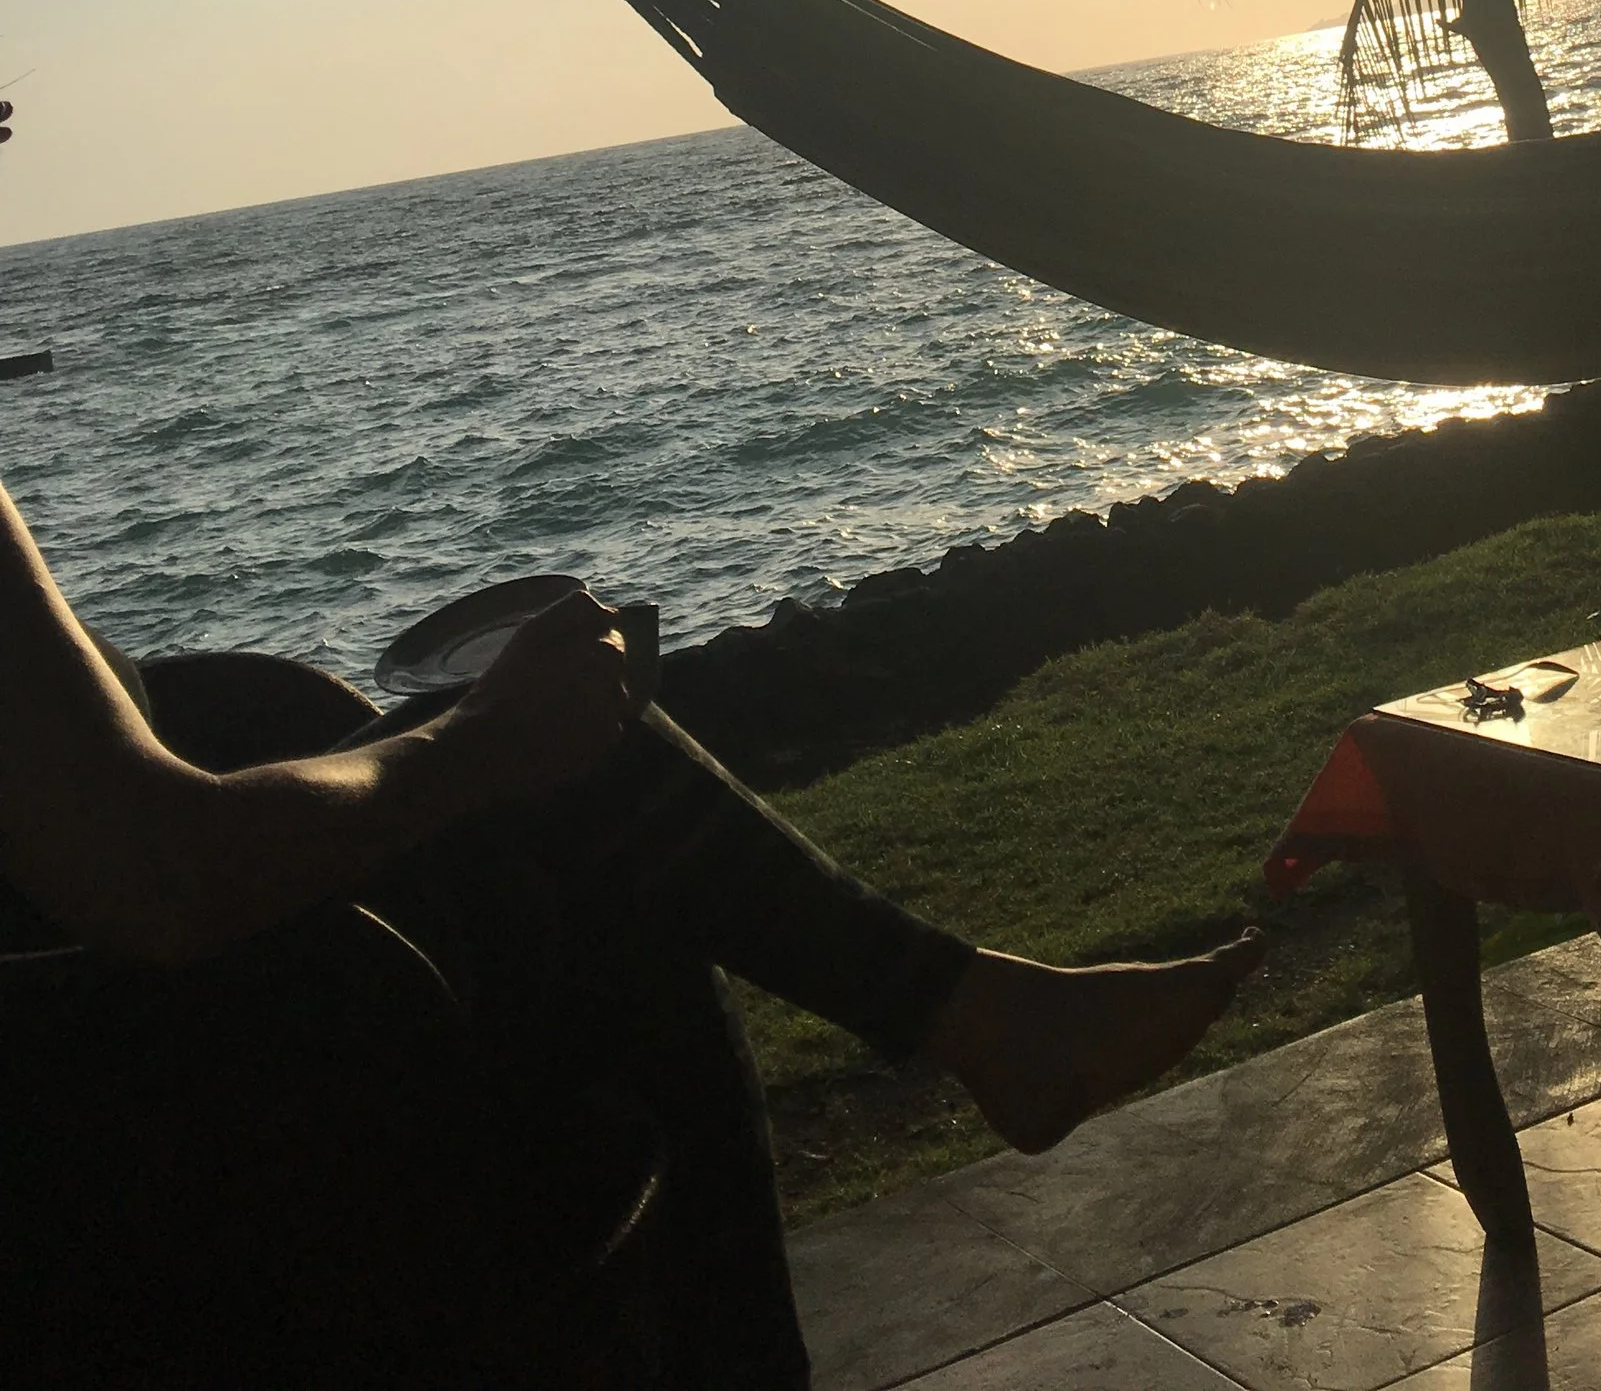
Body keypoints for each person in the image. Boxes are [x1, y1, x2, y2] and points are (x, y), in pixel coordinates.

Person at [0, 455, 1256, 1384]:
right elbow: (153, 872)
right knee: (574, 799)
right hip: (121, 1130)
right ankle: (978, 1024)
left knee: (568, 810)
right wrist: (478, 741)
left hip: (105, 1057)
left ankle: (978, 1018)